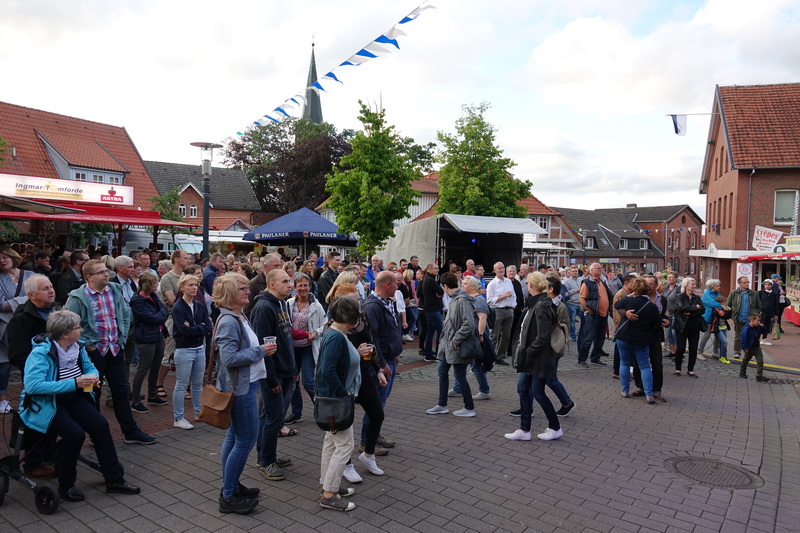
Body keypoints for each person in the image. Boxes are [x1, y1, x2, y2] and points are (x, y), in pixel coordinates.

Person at [20, 310, 140, 502]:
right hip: (49, 402)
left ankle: (114, 479)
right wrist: (75, 383)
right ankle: (66, 485)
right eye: (77, 327)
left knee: (100, 426)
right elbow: (33, 386)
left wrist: (92, 377)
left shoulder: (78, 346)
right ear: (65, 333)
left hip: (74, 398)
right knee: (74, 434)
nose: (81, 330)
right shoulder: (40, 353)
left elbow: (89, 366)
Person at [65, 259, 156, 445]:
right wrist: (89, 345)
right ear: (89, 277)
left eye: (106, 270)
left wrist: (121, 338)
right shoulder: (78, 298)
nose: (106, 274)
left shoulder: (114, 290)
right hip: (93, 353)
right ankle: (96, 434)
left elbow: (124, 315)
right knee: (93, 393)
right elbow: (69, 326)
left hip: (114, 349)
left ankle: (130, 431)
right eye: (100, 272)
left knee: (121, 392)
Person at [213, 273, 273, 514]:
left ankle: (232, 485)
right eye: (242, 289)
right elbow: (229, 359)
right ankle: (228, 495)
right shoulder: (229, 321)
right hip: (239, 389)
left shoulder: (239, 315)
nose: (248, 292)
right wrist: (261, 351)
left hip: (245, 385)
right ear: (230, 294)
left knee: (234, 437)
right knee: (245, 440)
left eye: (247, 288)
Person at [7, 274, 58, 478]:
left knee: (55, 413)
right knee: (37, 416)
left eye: (51, 286)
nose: (51, 291)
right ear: (31, 295)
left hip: (59, 375)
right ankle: (33, 463)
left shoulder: (58, 311)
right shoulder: (21, 320)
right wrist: (40, 366)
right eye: (45, 288)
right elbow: (17, 354)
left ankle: (49, 452)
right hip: (37, 378)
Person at [316, 295, 363, 512]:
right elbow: (327, 370)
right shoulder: (336, 336)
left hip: (333, 398)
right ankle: (329, 494)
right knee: (344, 445)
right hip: (336, 400)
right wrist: (343, 393)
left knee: (332, 443)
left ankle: (328, 484)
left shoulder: (335, 332)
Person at [251, 268, 298, 481]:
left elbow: (286, 340)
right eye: (285, 281)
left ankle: (266, 455)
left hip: (285, 370)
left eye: (289, 281)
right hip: (274, 374)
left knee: (269, 415)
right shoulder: (264, 308)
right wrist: (271, 379)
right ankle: (266, 461)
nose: (290, 285)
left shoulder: (282, 304)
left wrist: (293, 368)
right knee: (274, 417)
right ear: (272, 285)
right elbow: (262, 348)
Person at [505, 272, 563, 441]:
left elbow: (542, 337)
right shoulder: (537, 304)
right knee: (524, 389)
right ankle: (525, 430)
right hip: (532, 357)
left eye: (527, 284)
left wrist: (528, 353)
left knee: (538, 393)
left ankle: (555, 427)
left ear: (531, 285)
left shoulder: (541, 306)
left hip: (537, 358)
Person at [360, 271, 402, 455]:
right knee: (375, 404)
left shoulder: (385, 302)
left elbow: (391, 329)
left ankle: (374, 435)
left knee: (380, 403)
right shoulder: (372, 306)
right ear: (387, 284)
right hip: (381, 362)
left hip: (389, 357)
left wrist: (396, 351)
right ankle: (366, 442)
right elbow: (373, 338)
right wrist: (382, 363)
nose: (397, 287)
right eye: (396, 283)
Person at [426, 272, 477, 418]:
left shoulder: (461, 300)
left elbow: (468, 324)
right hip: (448, 345)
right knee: (442, 371)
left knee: (460, 376)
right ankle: (442, 404)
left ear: (445, 286)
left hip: (456, 345)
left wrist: (455, 340)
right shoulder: (455, 299)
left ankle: (469, 407)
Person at [171, 274, 212, 429]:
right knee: (181, 384)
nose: (194, 288)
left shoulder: (200, 305)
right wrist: (200, 327)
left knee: (197, 384)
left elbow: (208, 327)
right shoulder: (178, 307)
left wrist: (195, 327)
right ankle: (178, 417)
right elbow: (184, 330)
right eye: (190, 285)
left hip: (199, 348)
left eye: (196, 285)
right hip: (184, 349)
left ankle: (198, 412)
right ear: (182, 288)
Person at [285, 273, 325, 425]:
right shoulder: (289, 304)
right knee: (293, 381)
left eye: (306, 285)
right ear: (295, 287)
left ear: (310, 287)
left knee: (308, 381)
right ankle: (296, 413)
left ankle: (322, 410)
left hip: (308, 347)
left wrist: (316, 333)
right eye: (300, 285)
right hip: (292, 348)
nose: (303, 288)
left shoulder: (316, 305)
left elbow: (324, 324)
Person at [613, 277, 661, 403]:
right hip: (642, 339)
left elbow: (617, 305)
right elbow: (657, 323)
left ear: (634, 289)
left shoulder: (628, 301)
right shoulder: (651, 307)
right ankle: (648, 394)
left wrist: (630, 296)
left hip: (624, 337)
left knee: (624, 363)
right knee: (644, 366)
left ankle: (625, 390)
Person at [0, 247, 35, 414]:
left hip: (28, 325)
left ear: (13, 257)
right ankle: (2, 399)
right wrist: (27, 300)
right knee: (4, 363)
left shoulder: (29, 275)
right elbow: (1, 305)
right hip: (5, 326)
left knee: (29, 360)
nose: (2, 260)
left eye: (4, 257)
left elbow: (41, 294)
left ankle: (29, 394)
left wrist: (13, 303)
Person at [128, 272, 169, 414]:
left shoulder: (153, 296)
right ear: (147, 285)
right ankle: (136, 401)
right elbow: (151, 318)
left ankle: (152, 395)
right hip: (146, 337)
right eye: (154, 283)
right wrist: (160, 316)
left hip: (158, 334)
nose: (157, 285)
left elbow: (163, 310)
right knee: (143, 368)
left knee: (156, 366)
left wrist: (159, 316)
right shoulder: (137, 301)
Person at [450, 276, 492, 400]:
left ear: (473, 287)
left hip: (475, 337)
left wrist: (480, 335)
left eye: (465, 284)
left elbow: (482, 318)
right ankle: (458, 388)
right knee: (462, 363)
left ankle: (484, 390)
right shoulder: (466, 299)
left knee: (476, 365)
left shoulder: (478, 299)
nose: (462, 286)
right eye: (463, 284)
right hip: (467, 335)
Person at [577, 263, 613, 368]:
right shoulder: (587, 283)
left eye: (601, 268)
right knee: (588, 338)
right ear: (591, 270)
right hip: (592, 315)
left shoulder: (602, 281)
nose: (601, 269)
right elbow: (582, 299)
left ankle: (595, 358)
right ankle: (582, 359)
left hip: (603, 314)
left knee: (600, 338)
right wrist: (589, 310)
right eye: (598, 268)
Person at [673, 277, 705, 378]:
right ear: (686, 285)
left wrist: (691, 312)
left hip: (694, 326)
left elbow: (702, 310)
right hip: (681, 326)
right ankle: (678, 369)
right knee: (680, 348)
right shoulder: (679, 296)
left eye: (694, 284)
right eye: (692, 284)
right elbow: (682, 308)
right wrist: (695, 307)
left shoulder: (697, 297)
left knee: (693, 349)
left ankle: (690, 370)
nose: (694, 286)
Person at [487, 262, 516, 365]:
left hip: (509, 310)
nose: (501, 270)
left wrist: (513, 306)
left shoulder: (508, 281)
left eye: (502, 268)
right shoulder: (492, 284)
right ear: (494, 270)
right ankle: (489, 357)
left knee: (506, 336)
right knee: (494, 335)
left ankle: (500, 356)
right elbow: (489, 301)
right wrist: (502, 296)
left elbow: (513, 295)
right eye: (499, 268)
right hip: (497, 311)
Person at [727, 277, 761, 358]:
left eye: (747, 282)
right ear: (739, 283)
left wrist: (756, 315)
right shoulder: (734, 293)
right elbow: (728, 305)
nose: (747, 284)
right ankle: (737, 352)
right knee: (738, 336)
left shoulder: (754, 293)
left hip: (750, 319)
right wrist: (732, 316)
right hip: (738, 318)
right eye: (745, 282)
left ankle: (749, 353)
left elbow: (759, 306)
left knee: (750, 336)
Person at [701, 279, 732, 365]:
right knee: (707, 335)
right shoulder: (706, 295)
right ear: (713, 286)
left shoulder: (716, 293)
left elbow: (722, 301)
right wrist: (723, 306)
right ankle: (699, 352)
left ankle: (715, 352)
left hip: (716, 318)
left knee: (717, 336)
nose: (719, 287)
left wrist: (726, 306)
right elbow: (714, 304)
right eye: (718, 285)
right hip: (708, 317)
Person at [420, 263, 444, 362]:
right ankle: (438, 353)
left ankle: (428, 353)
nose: (437, 270)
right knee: (440, 331)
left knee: (431, 332)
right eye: (435, 268)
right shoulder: (430, 280)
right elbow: (441, 291)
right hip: (433, 309)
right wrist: (439, 293)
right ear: (429, 269)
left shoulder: (428, 279)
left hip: (430, 309)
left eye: (437, 268)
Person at [739, 314, 770, 382]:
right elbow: (743, 339)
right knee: (746, 360)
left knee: (760, 361)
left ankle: (759, 375)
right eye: (757, 320)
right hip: (750, 347)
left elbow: (765, 332)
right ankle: (742, 372)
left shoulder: (758, 327)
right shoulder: (746, 329)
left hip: (756, 347)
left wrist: (763, 327)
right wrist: (745, 348)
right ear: (752, 320)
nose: (759, 322)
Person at [757, 279, 779, 345]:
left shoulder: (774, 294)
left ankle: (764, 339)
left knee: (767, 325)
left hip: (770, 312)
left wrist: (776, 314)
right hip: (762, 312)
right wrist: (758, 311)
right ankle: (757, 338)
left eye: (769, 285)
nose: (767, 286)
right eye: (766, 284)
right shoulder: (760, 293)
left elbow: (776, 304)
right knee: (760, 325)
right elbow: (758, 302)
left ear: (772, 285)